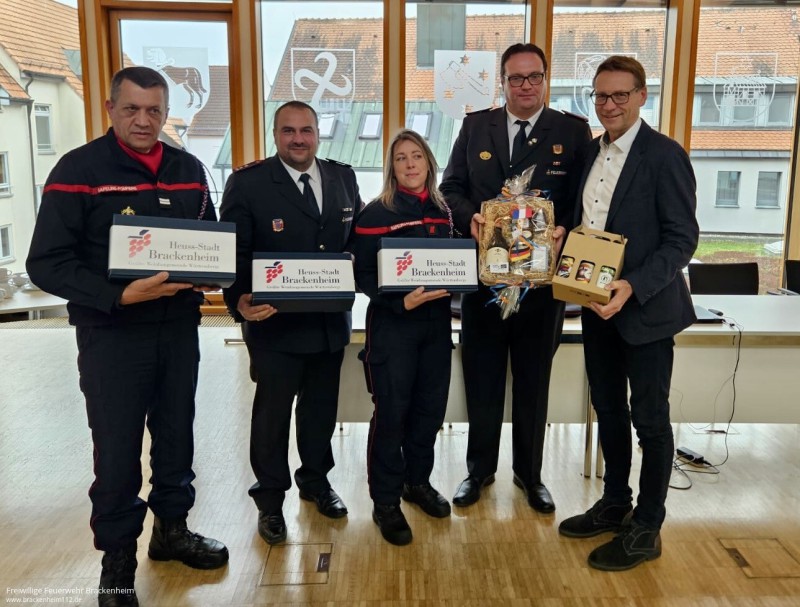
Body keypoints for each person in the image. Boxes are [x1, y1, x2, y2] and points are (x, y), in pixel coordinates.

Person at [26, 66, 229, 607]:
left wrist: (215, 272)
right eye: (132, 109)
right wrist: (117, 295)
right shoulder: (78, 171)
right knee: (116, 451)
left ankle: (172, 531)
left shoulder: (189, 169)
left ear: (166, 114)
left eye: (154, 110)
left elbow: (209, 240)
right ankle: (117, 562)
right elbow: (46, 262)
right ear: (111, 109)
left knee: (177, 435)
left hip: (178, 329)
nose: (144, 120)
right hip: (112, 335)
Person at [557, 56, 699, 571]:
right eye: (601, 95)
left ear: (642, 96)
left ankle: (648, 526)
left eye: (620, 95)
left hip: (646, 312)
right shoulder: (590, 154)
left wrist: (633, 285)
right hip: (597, 307)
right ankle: (615, 502)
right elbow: (588, 223)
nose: (609, 104)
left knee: (650, 421)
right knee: (609, 409)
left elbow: (682, 239)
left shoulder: (665, 156)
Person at [439, 43, 592, 512]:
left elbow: (586, 197)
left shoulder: (572, 130)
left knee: (533, 381)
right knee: (482, 378)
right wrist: (472, 217)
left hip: (541, 287)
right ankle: (479, 471)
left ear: (546, 79)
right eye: (516, 77)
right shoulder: (474, 127)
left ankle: (530, 475)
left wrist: (566, 228)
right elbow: (450, 188)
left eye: (534, 76)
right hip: (486, 280)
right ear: (502, 82)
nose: (526, 85)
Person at [220, 100, 361, 546]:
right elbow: (234, 252)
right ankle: (269, 500)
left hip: (328, 324)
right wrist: (237, 300)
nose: (298, 139)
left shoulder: (343, 177)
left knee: (320, 412)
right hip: (273, 326)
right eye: (288, 131)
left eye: (306, 130)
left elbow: (355, 240)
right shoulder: (248, 183)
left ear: (318, 134)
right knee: (272, 418)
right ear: (275, 134)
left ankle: (316, 482)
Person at [349, 130, 454, 546]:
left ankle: (417, 482)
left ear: (429, 161)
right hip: (393, 328)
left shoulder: (443, 212)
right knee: (391, 415)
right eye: (400, 158)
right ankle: (386, 501)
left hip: (436, 329)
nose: (410, 164)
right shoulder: (375, 213)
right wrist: (397, 301)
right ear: (391, 168)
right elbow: (361, 274)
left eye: (417, 156)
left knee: (429, 412)